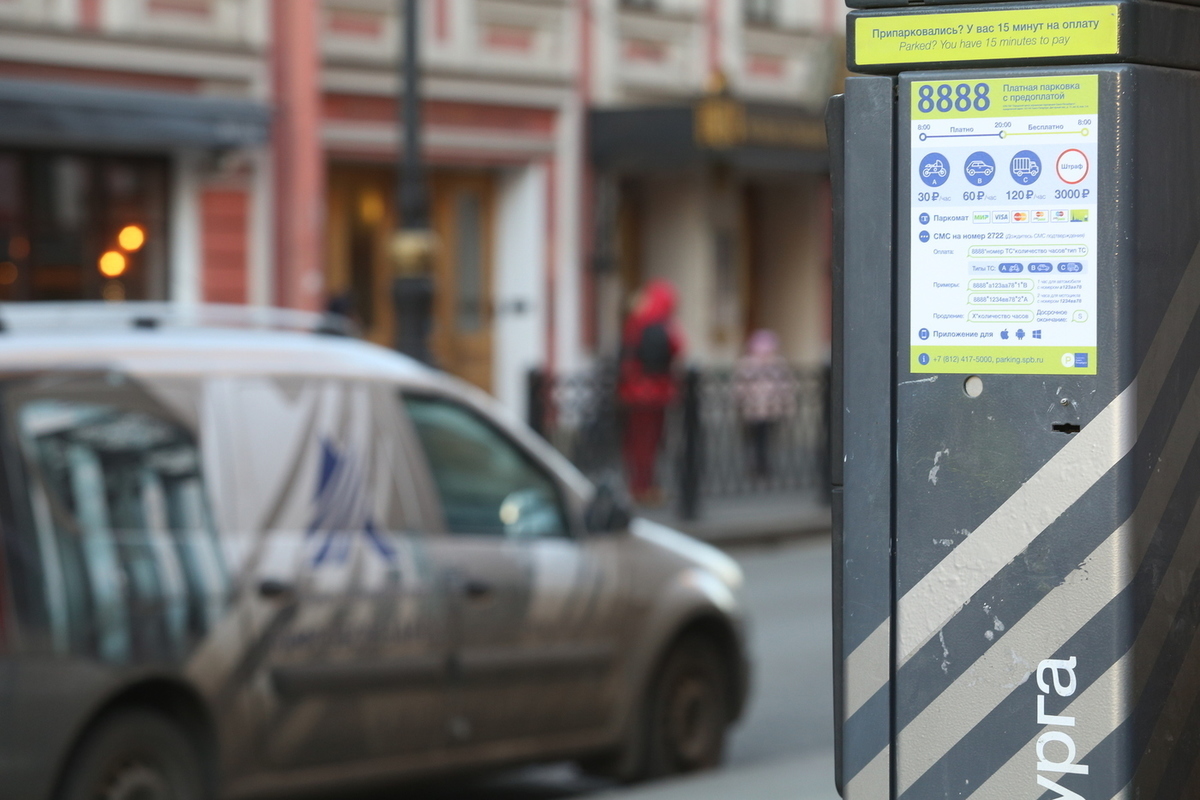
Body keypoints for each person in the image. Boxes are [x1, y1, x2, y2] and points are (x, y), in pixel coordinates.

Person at [618, 279, 684, 503]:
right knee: (648, 442)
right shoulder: (658, 326)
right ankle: (643, 486)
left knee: (639, 442)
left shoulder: (635, 323)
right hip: (653, 393)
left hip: (635, 392)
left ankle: (641, 484)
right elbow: (677, 347)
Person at [734, 329, 794, 478]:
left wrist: (787, 404)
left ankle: (762, 464)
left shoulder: (776, 364)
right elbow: (739, 386)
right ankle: (759, 464)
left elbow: (785, 386)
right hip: (754, 409)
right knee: (757, 438)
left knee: (764, 438)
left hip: (768, 408)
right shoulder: (749, 363)